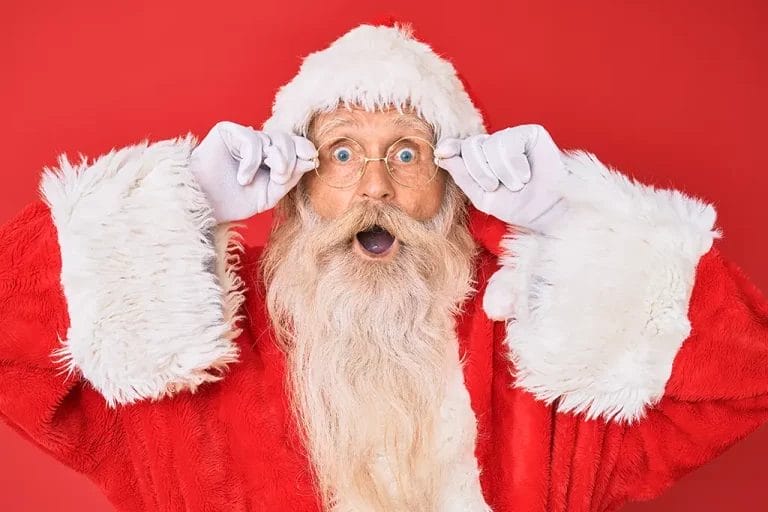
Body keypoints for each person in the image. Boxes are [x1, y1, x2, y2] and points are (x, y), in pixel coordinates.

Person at [1, 22, 766, 512]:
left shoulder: (536, 351)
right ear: (296, 181)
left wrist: (573, 218)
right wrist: (181, 202)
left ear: (455, 182)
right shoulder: (196, 341)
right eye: (341, 153)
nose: (375, 186)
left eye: (407, 153)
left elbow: (747, 377)